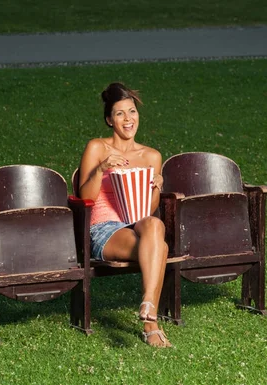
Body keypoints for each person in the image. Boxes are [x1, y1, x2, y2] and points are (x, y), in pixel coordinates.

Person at [78, 82, 172, 348]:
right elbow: (84, 198)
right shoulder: (97, 148)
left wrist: (157, 187)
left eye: (132, 112)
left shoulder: (152, 156)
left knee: (154, 224)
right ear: (109, 119)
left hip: (137, 222)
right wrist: (101, 170)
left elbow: (148, 209)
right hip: (104, 229)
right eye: (120, 113)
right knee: (160, 248)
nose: (128, 119)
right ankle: (150, 323)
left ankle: (149, 305)